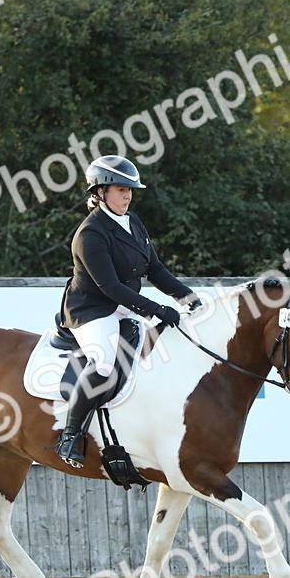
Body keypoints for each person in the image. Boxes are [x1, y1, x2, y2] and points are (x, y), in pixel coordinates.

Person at [54, 155, 200, 468]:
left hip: (125, 305)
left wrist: (186, 297)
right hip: (92, 310)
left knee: (162, 351)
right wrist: (158, 308)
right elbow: (109, 287)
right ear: (100, 193)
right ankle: (70, 435)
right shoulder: (90, 234)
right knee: (105, 363)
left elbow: (155, 268)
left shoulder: (133, 222)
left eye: (130, 190)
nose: (127, 195)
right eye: (120, 189)